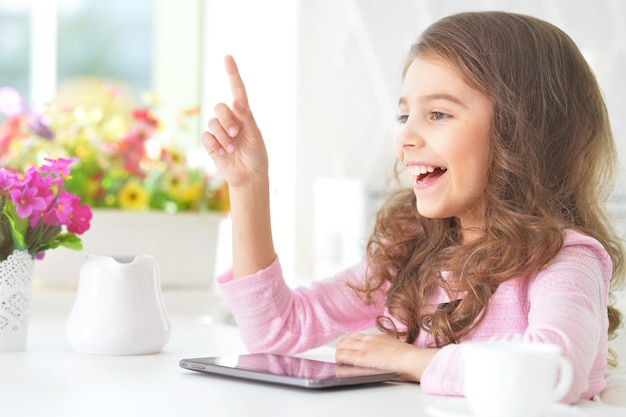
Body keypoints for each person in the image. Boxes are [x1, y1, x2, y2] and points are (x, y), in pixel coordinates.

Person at [201, 11, 625, 403]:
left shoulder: (564, 258)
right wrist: (248, 185)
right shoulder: (413, 251)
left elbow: (553, 370)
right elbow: (277, 332)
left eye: (438, 114)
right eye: (405, 116)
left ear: (523, 133)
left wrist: (407, 360)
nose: (405, 137)